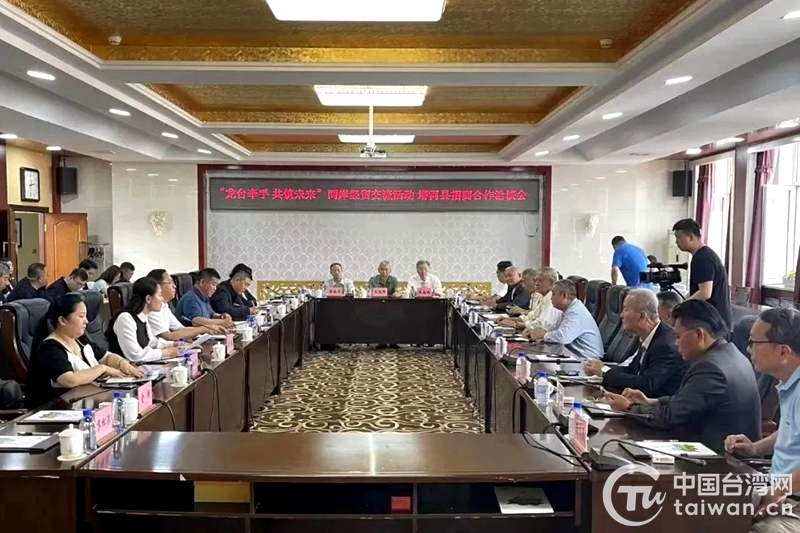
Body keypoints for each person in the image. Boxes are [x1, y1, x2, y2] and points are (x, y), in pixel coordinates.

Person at [604, 300, 761, 453]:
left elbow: (669, 417)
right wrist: (652, 401)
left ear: (699, 334)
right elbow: (686, 400)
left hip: (720, 458)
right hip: (715, 447)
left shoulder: (711, 368)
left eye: (678, 337)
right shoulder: (730, 354)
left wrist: (629, 408)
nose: (676, 343)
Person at [725, 308, 800, 530]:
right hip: (778, 488)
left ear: (783, 352)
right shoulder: (789, 383)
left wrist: (778, 492)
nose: (748, 349)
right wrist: (755, 448)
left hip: (792, 499)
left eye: (754, 343)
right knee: (702, 503)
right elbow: (790, 429)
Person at [25, 293, 143, 408]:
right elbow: (70, 380)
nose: (86, 321)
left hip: (87, 401)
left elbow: (106, 357)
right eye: (81, 316)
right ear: (62, 321)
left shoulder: (80, 339)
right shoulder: (50, 348)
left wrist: (121, 363)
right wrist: (103, 368)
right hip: (60, 409)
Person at [584, 289, 688, 397]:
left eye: (626, 310)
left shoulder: (665, 345)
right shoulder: (650, 335)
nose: (621, 315)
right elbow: (632, 370)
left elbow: (647, 385)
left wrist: (605, 372)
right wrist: (598, 368)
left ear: (642, 316)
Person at [673, 218, 732, 330]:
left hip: (714, 323)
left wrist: (681, 308)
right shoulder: (704, 255)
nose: (676, 242)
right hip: (714, 319)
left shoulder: (703, 258)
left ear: (691, 237)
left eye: (678, 237)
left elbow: (705, 293)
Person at [525, 279, 604, 360]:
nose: (551, 298)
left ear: (564, 295)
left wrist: (543, 335)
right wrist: (537, 332)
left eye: (553, 294)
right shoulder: (568, 309)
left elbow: (563, 337)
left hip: (587, 359)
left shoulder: (576, 312)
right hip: (573, 354)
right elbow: (555, 328)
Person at [107, 277, 180, 362]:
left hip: (141, 366)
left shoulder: (143, 316)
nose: (162, 299)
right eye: (160, 295)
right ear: (148, 299)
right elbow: (135, 355)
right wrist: (169, 352)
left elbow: (152, 343)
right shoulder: (125, 319)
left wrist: (173, 344)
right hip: (125, 368)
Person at [146, 269, 225, 340]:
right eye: (170, 282)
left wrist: (207, 328)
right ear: (158, 286)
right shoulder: (152, 309)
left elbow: (180, 329)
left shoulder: (164, 306)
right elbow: (168, 336)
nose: (174, 286)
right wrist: (202, 329)